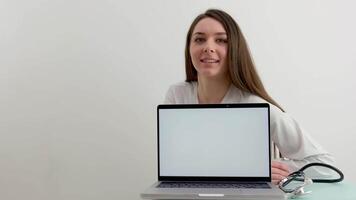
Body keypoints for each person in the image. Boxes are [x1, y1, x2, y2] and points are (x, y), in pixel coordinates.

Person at [164, 9, 334, 185]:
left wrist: (277, 169)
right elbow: (175, 164)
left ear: (235, 49)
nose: (208, 47)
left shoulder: (256, 106)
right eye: (199, 39)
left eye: (221, 40)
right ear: (189, 47)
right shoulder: (177, 95)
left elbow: (326, 166)